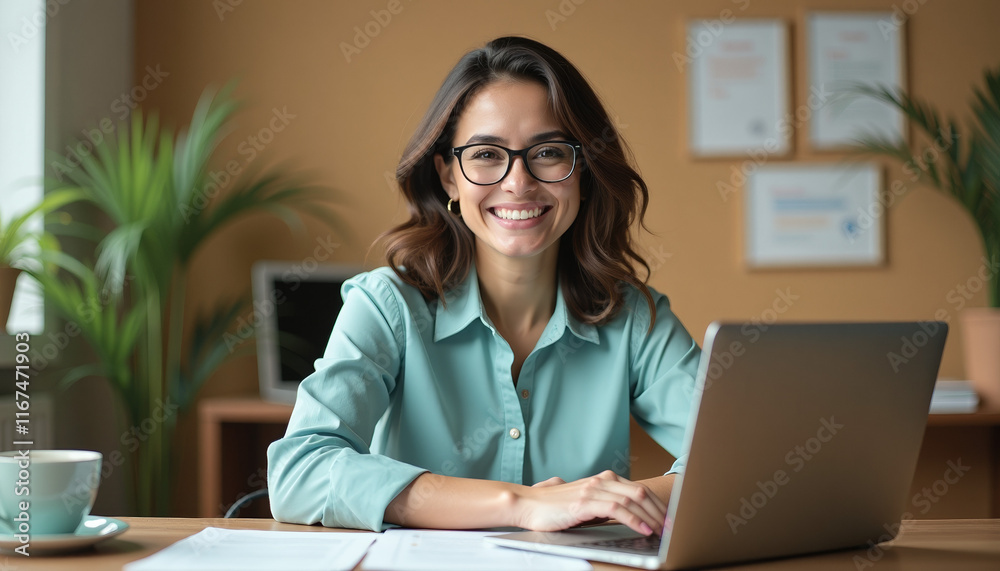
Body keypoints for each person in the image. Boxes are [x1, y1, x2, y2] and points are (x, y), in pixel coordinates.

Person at [267, 36, 701, 536]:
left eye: (549, 152)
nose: (518, 182)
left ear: (585, 171)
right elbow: (299, 471)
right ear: (449, 176)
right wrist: (519, 505)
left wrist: (613, 501)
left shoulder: (633, 319)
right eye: (487, 154)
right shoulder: (388, 306)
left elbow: (737, 458)